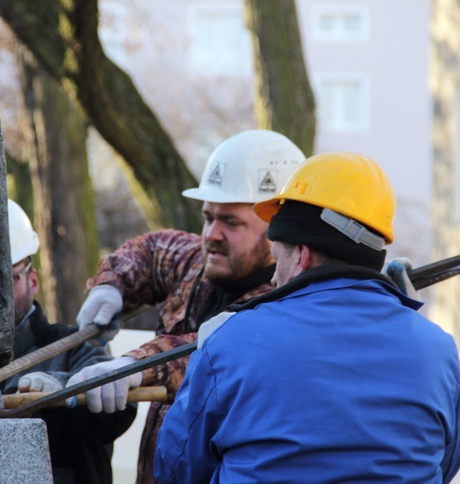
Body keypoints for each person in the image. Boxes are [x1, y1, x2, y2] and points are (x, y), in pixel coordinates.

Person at [154, 152, 460, 483]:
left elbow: (175, 468)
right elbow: (445, 462)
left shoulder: (232, 340)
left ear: (302, 256)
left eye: (277, 260)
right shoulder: (438, 349)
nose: (274, 279)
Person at [64, 129, 307, 483]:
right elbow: (153, 249)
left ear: (278, 228)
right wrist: (111, 285)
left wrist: (132, 366)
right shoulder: (199, 261)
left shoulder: (287, 302)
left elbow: (208, 348)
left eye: (231, 222)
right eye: (208, 217)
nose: (211, 235)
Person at [0, 199, 137, 484]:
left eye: (6, 279)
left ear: (33, 280)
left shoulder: (77, 345)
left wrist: (64, 389)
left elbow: (114, 418)